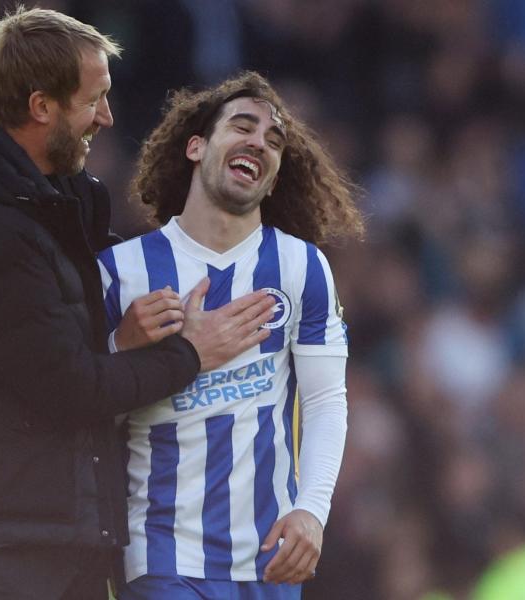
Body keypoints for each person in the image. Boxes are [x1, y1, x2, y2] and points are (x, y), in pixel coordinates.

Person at [0, 8, 276, 600]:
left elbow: (61, 344)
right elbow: (63, 388)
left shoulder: (51, 198)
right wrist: (191, 354)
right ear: (41, 106)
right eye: (93, 99)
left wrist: (128, 336)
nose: (107, 116)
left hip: (53, 525)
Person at [97, 71, 364, 599]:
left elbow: (327, 401)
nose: (258, 143)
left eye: (273, 141)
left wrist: (311, 511)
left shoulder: (301, 267)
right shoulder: (121, 272)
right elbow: (87, 404)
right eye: (242, 127)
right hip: (160, 555)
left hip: (268, 561)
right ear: (196, 146)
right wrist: (125, 349)